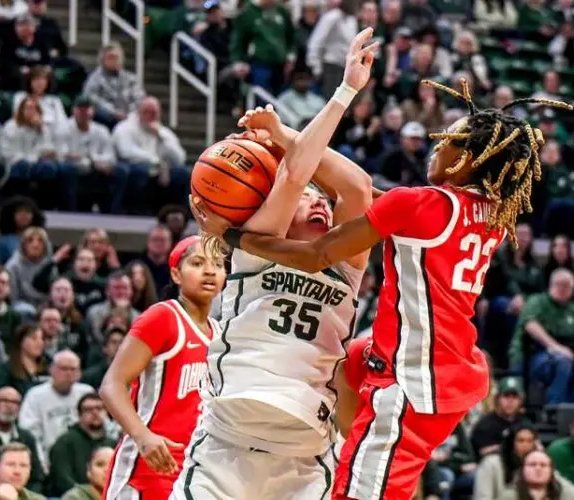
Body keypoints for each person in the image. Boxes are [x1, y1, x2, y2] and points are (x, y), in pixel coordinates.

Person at [197, 27, 573, 500]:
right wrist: (285, 138)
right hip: (448, 366)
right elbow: (363, 191)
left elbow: (316, 254)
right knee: (351, 360)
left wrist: (235, 238)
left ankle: (365, 465)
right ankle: (352, 449)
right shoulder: (491, 214)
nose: (436, 147)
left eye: (447, 142)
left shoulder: (420, 205)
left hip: (415, 381)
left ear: (467, 159)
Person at [171, 29, 375, 500]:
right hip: (228, 437)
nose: (320, 202)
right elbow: (294, 174)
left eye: (323, 200)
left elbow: (358, 188)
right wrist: (339, 96)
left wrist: (286, 133)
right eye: (308, 199)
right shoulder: (255, 247)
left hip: (302, 453)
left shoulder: (347, 264)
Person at [100, 235, 224, 500]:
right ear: (176, 274)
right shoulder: (163, 317)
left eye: (217, 263)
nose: (210, 271)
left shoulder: (220, 334)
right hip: (147, 465)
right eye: (198, 263)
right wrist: (143, 437)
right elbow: (111, 385)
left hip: (194, 470)